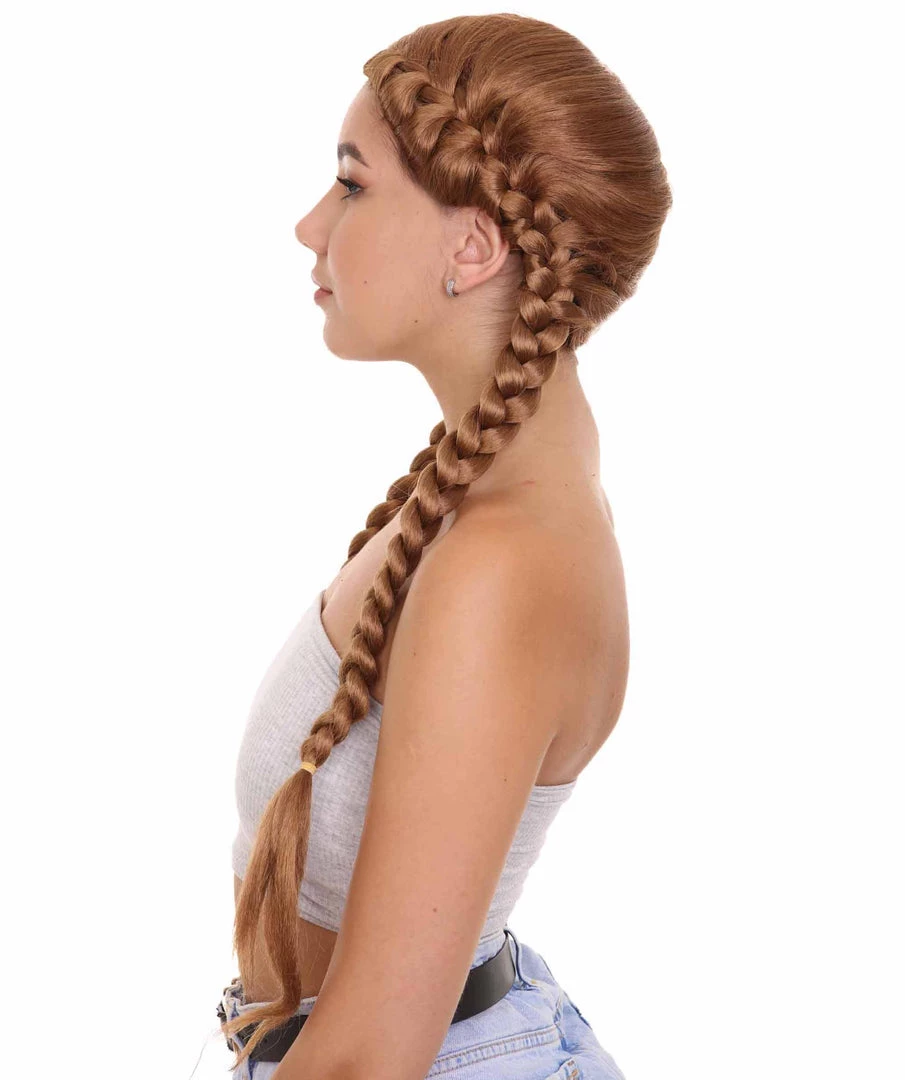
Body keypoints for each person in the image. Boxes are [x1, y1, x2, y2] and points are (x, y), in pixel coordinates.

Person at [218, 13, 671, 1079]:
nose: (309, 224)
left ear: (472, 246)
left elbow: (370, 1056)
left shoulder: (501, 563)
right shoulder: (488, 482)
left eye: (351, 184)